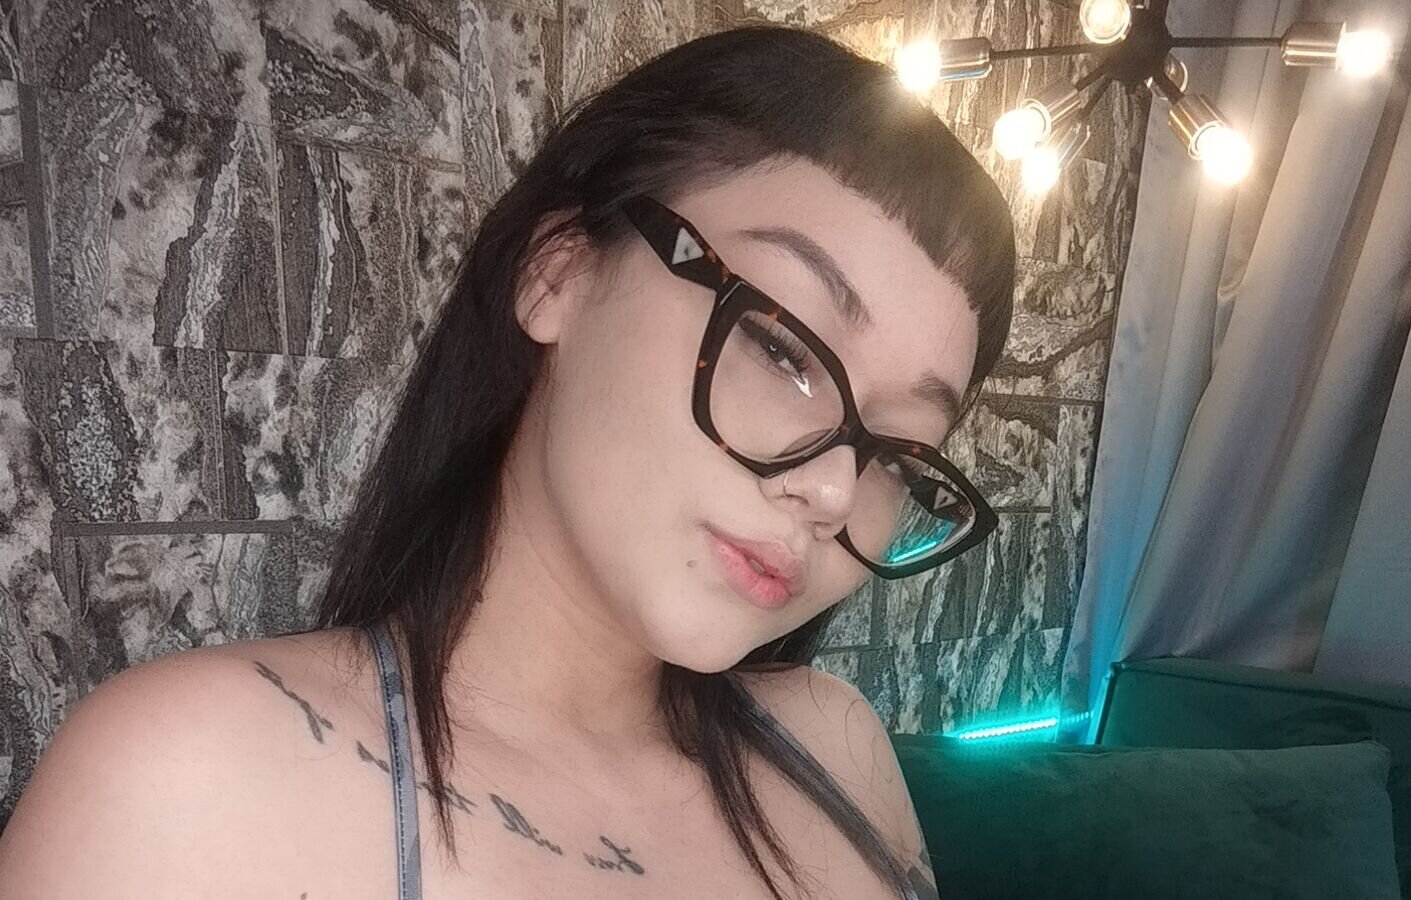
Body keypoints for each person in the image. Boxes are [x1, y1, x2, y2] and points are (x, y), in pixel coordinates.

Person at [0, 24, 1015, 899]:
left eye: (902, 456)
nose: (832, 489)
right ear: (557, 272)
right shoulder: (186, 788)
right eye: (783, 350)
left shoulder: (837, 748)